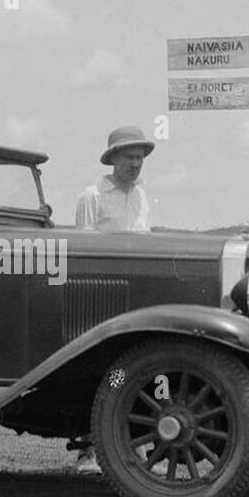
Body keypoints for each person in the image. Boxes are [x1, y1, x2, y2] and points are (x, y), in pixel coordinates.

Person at [71, 125, 155, 475]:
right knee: (99, 371)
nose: (135, 163)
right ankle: (89, 449)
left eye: (140, 157)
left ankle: (132, 447)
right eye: (129, 156)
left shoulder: (141, 196)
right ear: (113, 159)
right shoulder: (92, 195)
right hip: (100, 296)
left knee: (132, 371)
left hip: (133, 295)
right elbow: (82, 251)